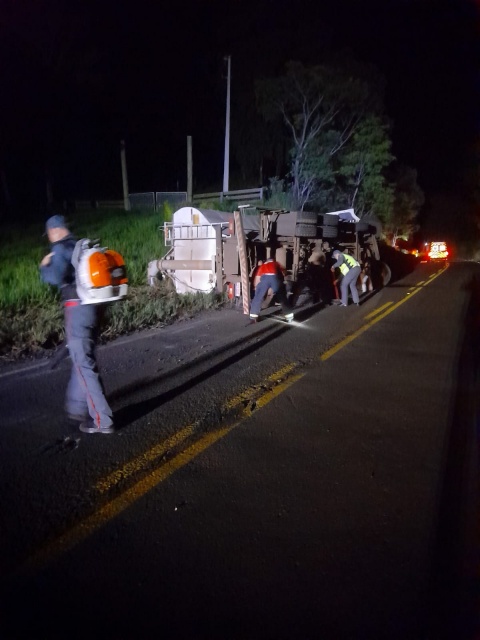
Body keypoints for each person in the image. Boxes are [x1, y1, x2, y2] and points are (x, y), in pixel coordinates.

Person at [39, 214, 114, 434]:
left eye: (50, 233)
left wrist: (45, 265)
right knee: (82, 359)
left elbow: (55, 276)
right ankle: (77, 407)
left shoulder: (61, 249)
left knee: (83, 364)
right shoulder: (80, 246)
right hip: (93, 308)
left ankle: (102, 420)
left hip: (77, 308)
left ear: (54, 231)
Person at [249, 257, 293, 322]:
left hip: (265, 279)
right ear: (273, 260)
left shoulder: (263, 266)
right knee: (282, 297)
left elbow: (257, 277)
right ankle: (289, 316)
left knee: (258, 297)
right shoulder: (276, 263)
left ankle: (253, 317)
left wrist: (256, 287)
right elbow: (284, 272)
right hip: (275, 278)